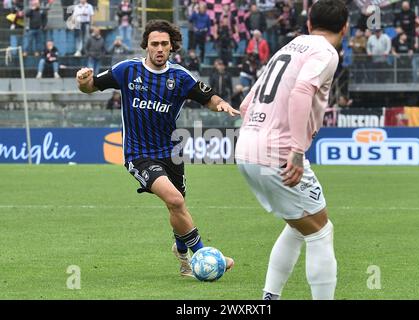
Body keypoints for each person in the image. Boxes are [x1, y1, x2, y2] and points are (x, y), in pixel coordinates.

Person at [76, 19, 238, 277]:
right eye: (154, 44)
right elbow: (91, 86)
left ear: (171, 46)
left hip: (171, 153)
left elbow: (209, 98)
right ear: (146, 46)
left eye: (164, 44)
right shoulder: (126, 71)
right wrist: (83, 81)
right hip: (138, 155)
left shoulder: (180, 77)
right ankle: (206, 257)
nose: (160, 48)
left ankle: (182, 255)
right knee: (174, 199)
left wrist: (222, 104)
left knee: (178, 204)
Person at [235, 0, 348, 300]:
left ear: (309, 24)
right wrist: (297, 149)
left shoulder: (289, 47)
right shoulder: (326, 52)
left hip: (246, 146)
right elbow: (301, 90)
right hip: (279, 152)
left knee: (299, 226)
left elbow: (247, 103)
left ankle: (270, 297)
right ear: (345, 28)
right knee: (320, 231)